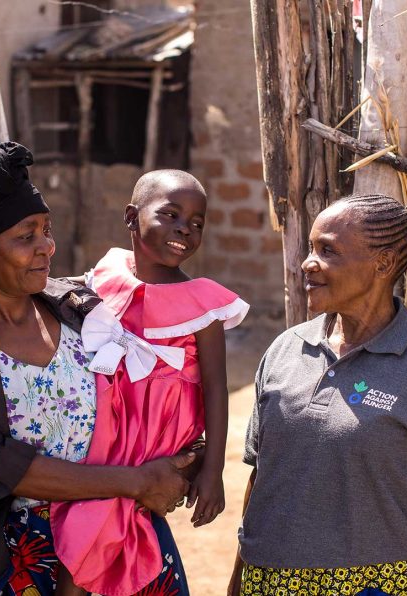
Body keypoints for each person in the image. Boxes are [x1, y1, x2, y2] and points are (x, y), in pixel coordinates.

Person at [0, 140, 196, 596]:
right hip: (28, 556)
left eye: (46, 229)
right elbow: (3, 466)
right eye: (26, 236)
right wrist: (140, 480)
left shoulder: (84, 308)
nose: (47, 246)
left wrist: (186, 457)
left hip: (123, 535)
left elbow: (163, 378)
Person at [229, 194, 407, 596]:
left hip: (375, 586)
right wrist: (237, 584)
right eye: (311, 248)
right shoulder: (285, 350)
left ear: (382, 264)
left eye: (327, 251)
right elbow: (261, 479)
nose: (307, 263)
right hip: (268, 582)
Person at [50, 170, 248, 595]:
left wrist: (213, 471)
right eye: (171, 215)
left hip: (155, 441)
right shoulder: (106, 280)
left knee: (100, 527)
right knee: (88, 525)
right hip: (106, 439)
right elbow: (48, 301)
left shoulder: (203, 304)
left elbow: (215, 388)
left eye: (197, 223)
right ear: (131, 217)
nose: (184, 229)